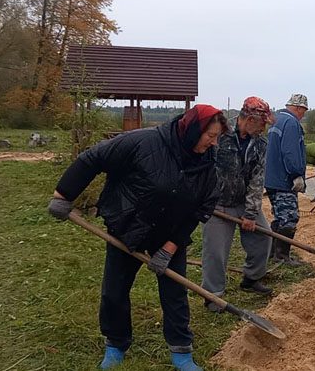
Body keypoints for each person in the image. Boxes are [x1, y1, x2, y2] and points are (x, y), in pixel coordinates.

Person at [47, 104, 226, 371]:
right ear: (192, 130)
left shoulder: (206, 164)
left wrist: (170, 247)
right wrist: (64, 195)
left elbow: (198, 210)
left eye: (217, 137)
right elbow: (92, 159)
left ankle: (181, 351)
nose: (214, 143)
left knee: (174, 294)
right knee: (115, 290)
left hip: (168, 235)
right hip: (128, 228)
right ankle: (116, 344)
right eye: (210, 135)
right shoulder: (143, 142)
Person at [201, 97, 274, 311]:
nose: (263, 128)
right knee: (215, 251)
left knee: (263, 236)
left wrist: (251, 213)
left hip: (243, 201)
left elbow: (257, 178)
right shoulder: (220, 135)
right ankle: (213, 296)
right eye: (262, 123)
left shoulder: (260, 144)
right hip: (216, 202)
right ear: (250, 119)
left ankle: (251, 278)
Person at [265, 94, 308, 266]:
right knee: (289, 218)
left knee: (279, 217)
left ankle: (271, 252)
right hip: (284, 180)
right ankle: (282, 256)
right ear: (298, 108)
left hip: (272, 178)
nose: (303, 115)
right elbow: (290, 152)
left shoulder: (277, 121)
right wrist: (296, 174)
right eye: (303, 111)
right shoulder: (291, 123)